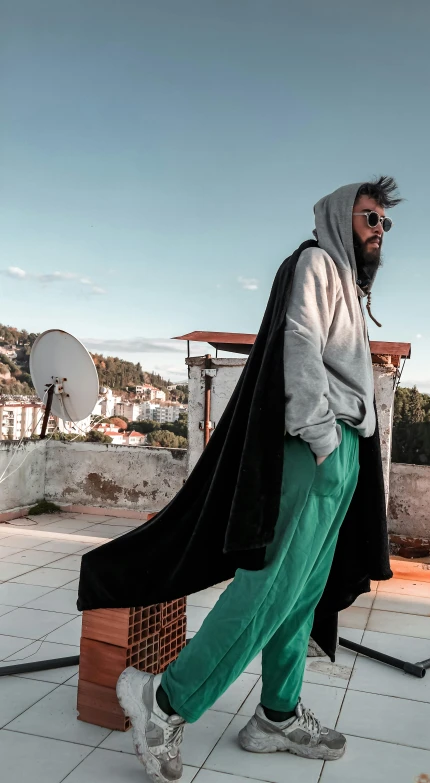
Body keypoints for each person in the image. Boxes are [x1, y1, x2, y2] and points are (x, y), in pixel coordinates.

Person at [84, 177, 400, 783]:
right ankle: (165, 702)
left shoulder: (348, 285)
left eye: (385, 224)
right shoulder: (315, 262)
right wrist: (322, 438)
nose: (378, 232)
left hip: (342, 451)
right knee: (267, 590)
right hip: (318, 450)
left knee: (302, 596)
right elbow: (300, 347)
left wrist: (344, 448)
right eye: (369, 219)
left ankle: (276, 716)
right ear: (341, 217)